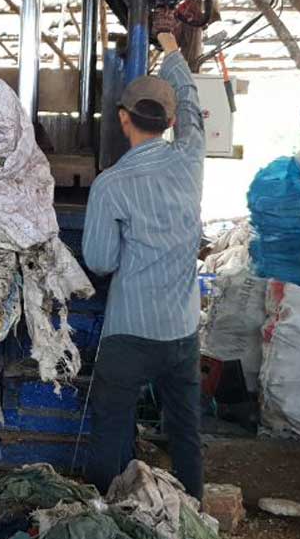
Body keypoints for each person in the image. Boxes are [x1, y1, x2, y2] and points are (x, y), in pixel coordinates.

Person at [81, 32, 206, 499]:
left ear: (121, 119)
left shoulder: (110, 185)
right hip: (181, 331)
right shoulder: (191, 158)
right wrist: (172, 51)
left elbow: (100, 260)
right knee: (185, 433)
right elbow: (192, 106)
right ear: (169, 120)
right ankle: (194, 515)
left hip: (129, 332)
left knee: (111, 430)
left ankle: (103, 518)